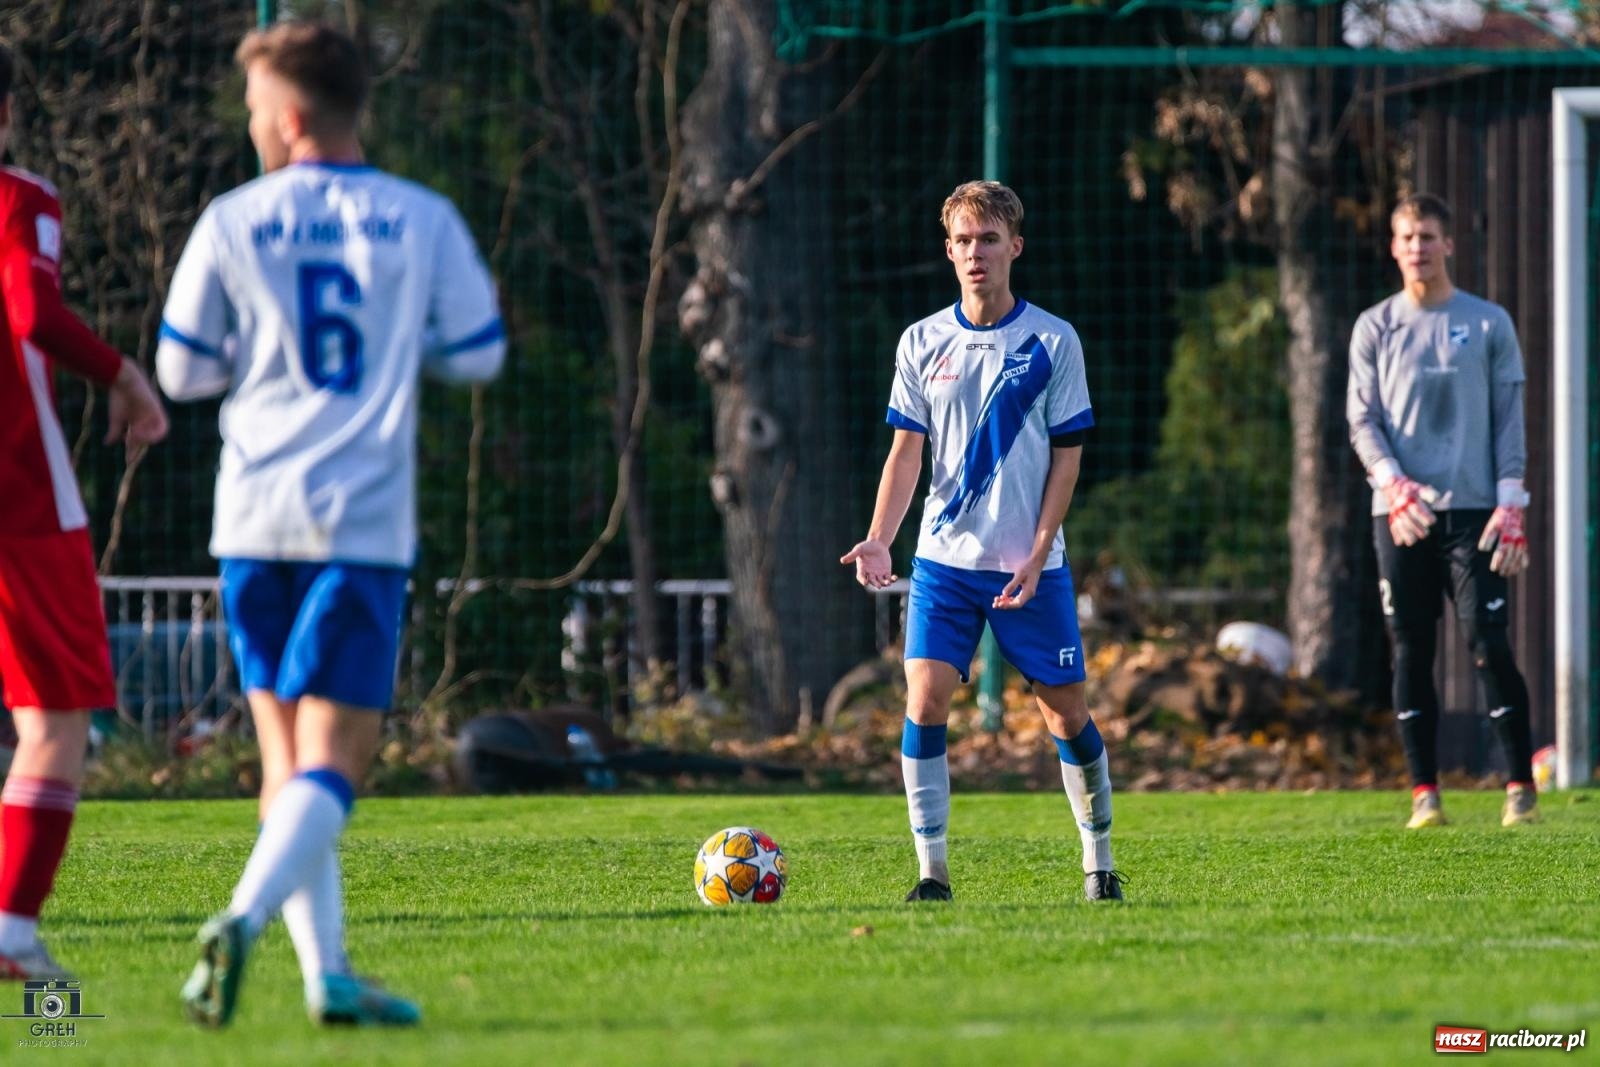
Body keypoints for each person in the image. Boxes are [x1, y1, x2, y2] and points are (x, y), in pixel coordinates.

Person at [157, 21, 504, 1027]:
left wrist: (257, 360)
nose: (252, 121)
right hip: (357, 518)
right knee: (337, 762)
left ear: (294, 116)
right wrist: (404, 351)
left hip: (251, 513)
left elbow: (183, 370)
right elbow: (477, 352)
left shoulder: (233, 217)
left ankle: (330, 977)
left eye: (258, 105)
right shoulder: (421, 216)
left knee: (286, 766)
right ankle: (241, 919)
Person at [840, 180, 1120, 903]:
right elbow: (906, 452)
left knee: (1066, 714)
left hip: (1031, 568)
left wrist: (1039, 549)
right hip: (943, 564)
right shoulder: (922, 340)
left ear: (1014, 248)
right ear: (948, 250)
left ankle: (1100, 863)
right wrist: (879, 538)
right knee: (925, 698)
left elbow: (1068, 455)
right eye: (963, 240)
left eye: (989, 239)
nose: (975, 253)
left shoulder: (1053, 341)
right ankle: (932, 874)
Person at [0, 41, 170, 980]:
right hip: (20, 500)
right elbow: (30, 309)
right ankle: (13, 939)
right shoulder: (18, 200)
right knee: (56, 721)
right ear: (10, 111)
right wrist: (123, 371)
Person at [1347, 193, 1537, 830]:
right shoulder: (1375, 326)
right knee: (1410, 648)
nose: (1418, 247)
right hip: (1399, 513)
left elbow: (1509, 420)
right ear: (1394, 248)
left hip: (1476, 511)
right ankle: (1424, 795)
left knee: (1489, 644)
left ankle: (1520, 790)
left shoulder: (1488, 323)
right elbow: (1361, 418)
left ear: (1448, 244)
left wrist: (1512, 499)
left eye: (1428, 236)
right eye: (1406, 237)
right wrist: (1392, 483)